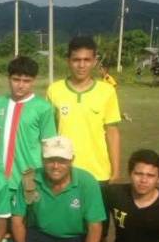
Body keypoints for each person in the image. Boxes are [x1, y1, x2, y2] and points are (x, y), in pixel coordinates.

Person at [48, 37, 122, 185]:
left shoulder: (107, 91)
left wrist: (116, 170)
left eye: (87, 60)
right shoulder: (54, 90)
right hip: (63, 172)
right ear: (68, 61)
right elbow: (49, 132)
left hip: (98, 173)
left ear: (94, 61)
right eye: (76, 60)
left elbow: (112, 132)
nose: (81, 65)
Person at [0, 56, 57, 191]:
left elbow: (49, 145)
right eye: (16, 79)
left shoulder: (43, 108)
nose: (20, 85)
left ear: (34, 80)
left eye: (26, 81)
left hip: (30, 181)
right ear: (8, 78)